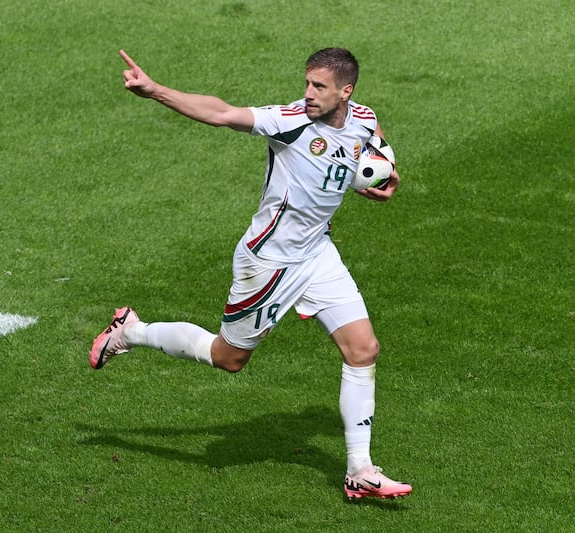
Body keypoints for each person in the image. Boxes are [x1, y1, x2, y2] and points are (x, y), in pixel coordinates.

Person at [90, 47, 412, 500]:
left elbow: (373, 149)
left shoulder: (363, 117)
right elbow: (221, 113)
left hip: (317, 253)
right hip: (269, 262)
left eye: (319, 86)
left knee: (363, 349)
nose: (308, 93)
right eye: (306, 82)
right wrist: (156, 90)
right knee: (228, 358)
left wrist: (382, 180)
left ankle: (359, 469)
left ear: (346, 91)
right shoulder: (290, 121)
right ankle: (131, 331)